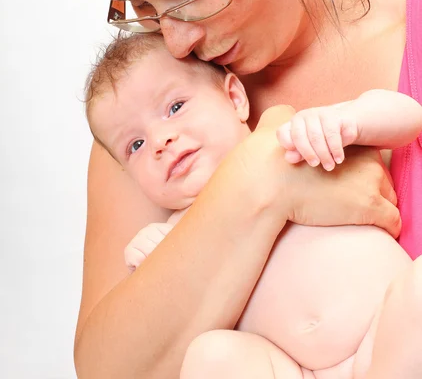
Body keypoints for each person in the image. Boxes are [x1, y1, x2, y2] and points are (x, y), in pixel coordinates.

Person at [46, 0, 422, 377]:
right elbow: (112, 370)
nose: (174, 40)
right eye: (140, 9)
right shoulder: (152, 116)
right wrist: (262, 179)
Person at [84, 31, 422, 379]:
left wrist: (350, 120)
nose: (159, 141)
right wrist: (146, 258)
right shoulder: (174, 238)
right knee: (209, 355)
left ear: (234, 99)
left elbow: (410, 116)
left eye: (175, 107)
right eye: (135, 145)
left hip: (385, 336)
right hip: (298, 370)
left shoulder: (292, 138)